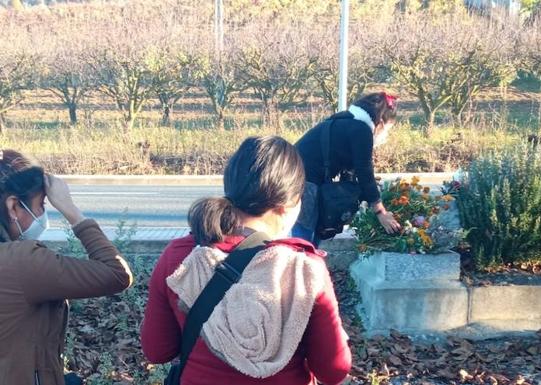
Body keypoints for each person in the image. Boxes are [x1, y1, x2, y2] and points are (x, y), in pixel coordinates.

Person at [141, 136, 352, 385]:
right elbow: (334, 370)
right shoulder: (303, 269)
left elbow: (157, 351)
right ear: (290, 204)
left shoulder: (180, 257)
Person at [0, 149, 133, 384]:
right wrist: (71, 211)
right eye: (41, 204)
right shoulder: (23, 262)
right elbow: (117, 274)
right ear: (13, 207)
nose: (43, 214)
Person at [293, 92, 401, 245]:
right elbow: (364, 171)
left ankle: (305, 264)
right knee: (302, 239)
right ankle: (299, 266)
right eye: (388, 128)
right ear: (381, 121)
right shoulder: (361, 129)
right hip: (303, 181)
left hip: (294, 174)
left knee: (309, 234)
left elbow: (354, 172)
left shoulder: (346, 120)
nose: (385, 134)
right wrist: (380, 211)